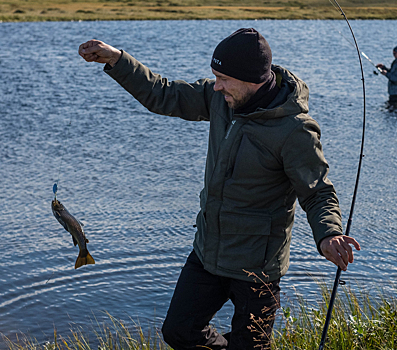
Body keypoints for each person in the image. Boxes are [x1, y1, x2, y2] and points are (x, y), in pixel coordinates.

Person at [78, 28, 361, 350]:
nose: (217, 85)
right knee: (178, 332)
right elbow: (164, 93)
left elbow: (317, 191)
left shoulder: (294, 130)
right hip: (208, 252)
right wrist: (118, 60)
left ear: (253, 80)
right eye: (215, 76)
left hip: (257, 267)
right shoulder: (221, 99)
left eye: (224, 78)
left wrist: (328, 234)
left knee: (250, 345)